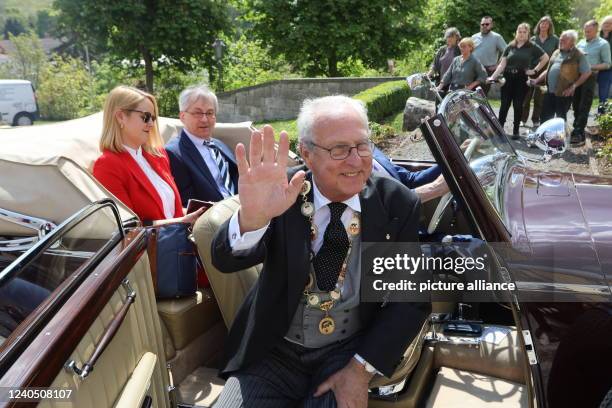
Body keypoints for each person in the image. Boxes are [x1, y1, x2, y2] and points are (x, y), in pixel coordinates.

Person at [211, 95, 430, 407]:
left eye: (362, 145)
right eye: (339, 149)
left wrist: (359, 370)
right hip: (272, 353)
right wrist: (253, 218)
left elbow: (410, 300)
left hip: (347, 351)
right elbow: (225, 259)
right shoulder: (281, 193)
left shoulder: (396, 203)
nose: (356, 161)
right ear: (307, 154)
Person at [93, 86, 203, 226]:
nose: (151, 124)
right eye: (145, 117)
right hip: (154, 246)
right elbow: (128, 228)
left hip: (179, 237)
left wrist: (199, 213)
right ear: (120, 116)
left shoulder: (158, 155)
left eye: (153, 118)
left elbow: (170, 211)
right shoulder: (108, 165)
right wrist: (181, 221)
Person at [166, 85, 238, 206]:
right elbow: (187, 203)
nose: (205, 119)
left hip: (242, 205)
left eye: (210, 113)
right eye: (198, 113)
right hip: (212, 216)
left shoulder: (220, 145)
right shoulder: (174, 153)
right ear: (182, 116)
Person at [488, 23, 549, 139]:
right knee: (504, 104)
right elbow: (502, 64)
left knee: (518, 104)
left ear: (528, 34)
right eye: (519, 32)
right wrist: (493, 77)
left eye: (524, 32)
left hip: (522, 78)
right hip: (508, 77)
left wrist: (534, 71)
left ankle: (516, 131)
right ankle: (500, 129)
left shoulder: (532, 46)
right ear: (516, 33)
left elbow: (545, 58)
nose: (521, 34)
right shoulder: (510, 46)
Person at [529, 30, 591, 126]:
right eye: (560, 39)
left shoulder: (578, 55)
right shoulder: (556, 52)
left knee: (560, 120)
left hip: (563, 93)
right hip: (549, 91)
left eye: (564, 40)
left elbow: (587, 72)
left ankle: (559, 140)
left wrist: (573, 86)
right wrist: (537, 80)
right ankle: (544, 139)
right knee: (545, 118)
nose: (561, 41)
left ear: (572, 42)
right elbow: (548, 70)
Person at [572, 20, 611, 145]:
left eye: (589, 31)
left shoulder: (603, 44)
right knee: (576, 103)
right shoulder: (581, 42)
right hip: (576, 76)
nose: (586, 33)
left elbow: (608, 64)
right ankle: (577, 127)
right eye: (585, 30)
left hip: (590, 76)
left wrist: (591, 66)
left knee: (585, 104)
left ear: (596, 30)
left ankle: (578, 132)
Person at [521, 16, 559, 128]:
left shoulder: (555, 40)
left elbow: (557, 54)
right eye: (542, 23)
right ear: (539, 25)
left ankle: (536, 119)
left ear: (549, 26)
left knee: (539, 98)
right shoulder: (532, 39)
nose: (544, 25)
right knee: (526, 97)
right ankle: (523, 119)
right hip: (531, 70)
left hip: (546, 71)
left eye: (546, 24)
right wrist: (527, 70)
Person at [472, 16, 507, 95]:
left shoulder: (496, 37)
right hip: (473, 69)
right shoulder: (474, 37)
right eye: (482, 24)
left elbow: (506, 52)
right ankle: (472, 107)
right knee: (470, 94)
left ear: (491, 25)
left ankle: (480, 107)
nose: (484, 26)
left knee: (481, 95)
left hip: (487, 71)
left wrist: (497, 65)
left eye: (487, 24)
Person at [598, 15, 612, 111]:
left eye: (609, 23)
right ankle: (602, 114)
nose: (607, 25)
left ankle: (604, 114)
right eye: (605, 23)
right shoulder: (596, 36)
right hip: (597, 67)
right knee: (603, 93)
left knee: (604, 92)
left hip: (609, 68)